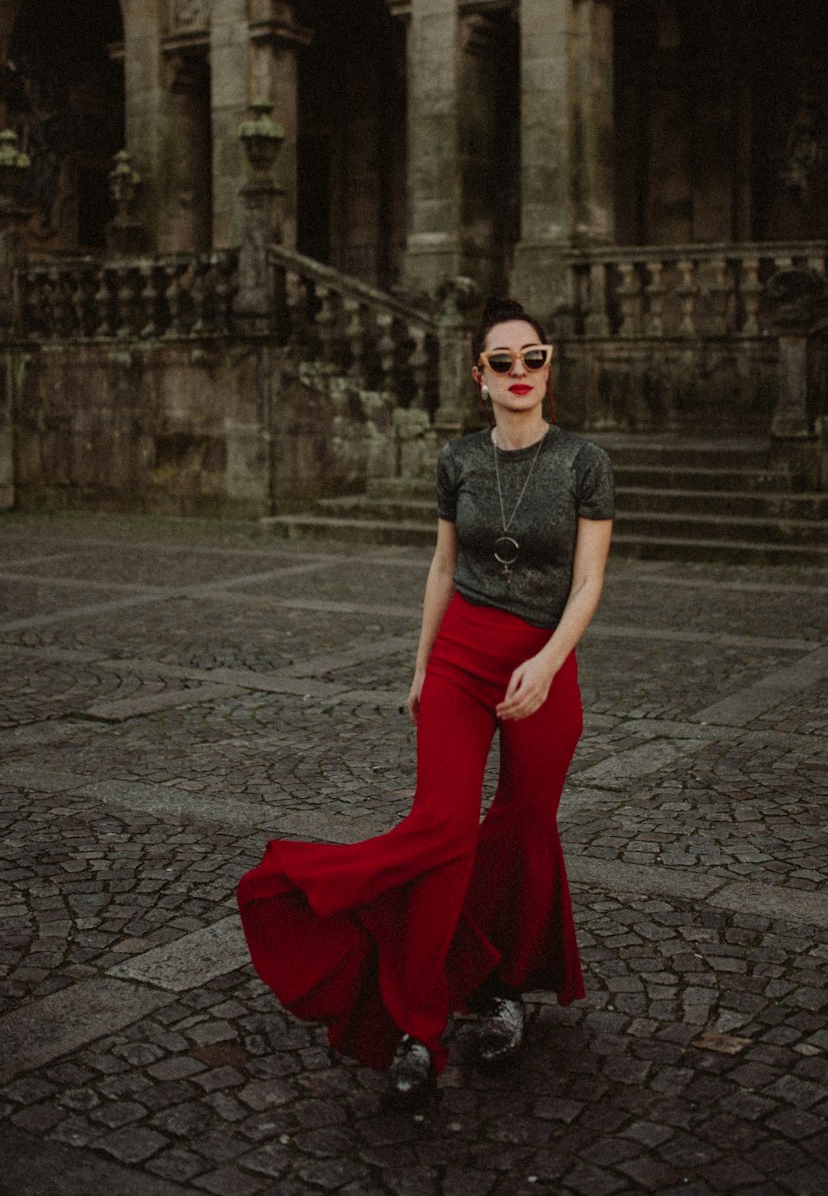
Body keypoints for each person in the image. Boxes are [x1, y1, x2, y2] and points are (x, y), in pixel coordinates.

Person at [237, 296, 614, 1107]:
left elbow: (588, 582)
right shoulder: (458, 461)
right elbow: (442, 569)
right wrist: (420, 665)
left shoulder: (585, 462)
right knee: (442, 825)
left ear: (551, 366)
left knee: (521, 825)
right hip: (461, 655)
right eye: (503, 363)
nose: (521, 373)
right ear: (479, 378)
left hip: (546, 659)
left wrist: (548, 663)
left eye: (534, 358)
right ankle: (415, 1023)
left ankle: (501, 985)